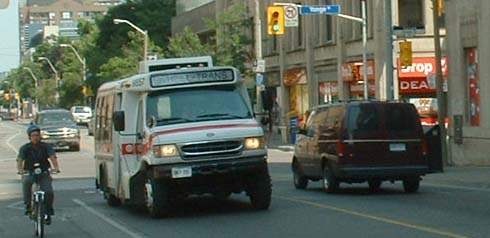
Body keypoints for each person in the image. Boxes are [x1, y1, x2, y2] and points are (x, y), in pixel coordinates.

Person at [16, 124, 60, 225]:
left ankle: (48, 211)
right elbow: (20, 160)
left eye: (37, 135)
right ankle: (28, 207)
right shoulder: (25, 148)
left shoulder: (46, 146)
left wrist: (56, 168)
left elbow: (53, 157)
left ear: (40, 136)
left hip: (44, 172)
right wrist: (20, 170)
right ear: (29, 137)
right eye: (33, 135)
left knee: (48, 191)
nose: (35, 137)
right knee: (26, 183)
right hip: (30, 172)